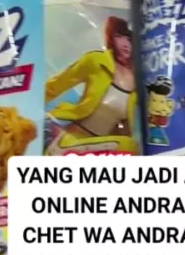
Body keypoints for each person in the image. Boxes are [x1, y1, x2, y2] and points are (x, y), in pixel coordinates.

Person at [45, 16, 137, 153]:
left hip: (102, 150)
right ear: (111, 37)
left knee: (132, 146)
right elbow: (54, 86)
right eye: (119, 36)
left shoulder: (140, 83)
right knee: (129, 145)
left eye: (129, 39)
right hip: (71, 139)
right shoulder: (96, 61)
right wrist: (28, 110)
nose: (125, 44)